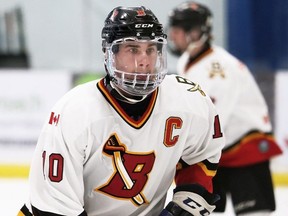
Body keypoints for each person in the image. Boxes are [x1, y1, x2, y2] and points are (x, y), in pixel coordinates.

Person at [18, 6, 225, 216]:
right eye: (133, 49)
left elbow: (203, 159)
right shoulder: (75, 112)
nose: (145, 60)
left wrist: (182, 209)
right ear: (109, 53)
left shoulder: (187, 100)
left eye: (151, 49)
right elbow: (53, 207)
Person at [166, 2, 283, 216]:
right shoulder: (188, 60)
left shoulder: (218, 69)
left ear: (195, 33)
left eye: (177, 31)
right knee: (207, 210)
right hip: (216, 151)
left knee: (254, 213)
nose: (172, 36)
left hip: (244, 149)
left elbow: (214, 119)